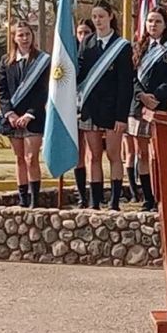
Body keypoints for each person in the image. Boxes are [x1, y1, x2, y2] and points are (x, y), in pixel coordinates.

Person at [127, 6, 167, 211]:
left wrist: (156, 97)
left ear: (165, 24)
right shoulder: (137, 47)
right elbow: (131, 76)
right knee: (142, 154)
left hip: (161, 106)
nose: (153, 25)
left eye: (158, 21)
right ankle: (148, 198)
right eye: (150, 21)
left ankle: (164, 195)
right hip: (138, 106)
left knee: (160, 153)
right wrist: (141, 95)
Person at [77, 2, 133, 211]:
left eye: (101, 16)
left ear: (110, 17)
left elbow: (125, 83)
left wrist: (121, 116)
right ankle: (94, 201)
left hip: (112, 110)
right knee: (93, 156)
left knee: (113, 154)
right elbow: (81, 74)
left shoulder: (122, 46)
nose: (98, 21)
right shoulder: (87, 43)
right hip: (91, 108)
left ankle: (115, 201)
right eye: (94, 17)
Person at [0, 21, 51, 208]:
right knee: (19, 159)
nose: (25, 38)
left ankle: (35, 199)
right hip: (12, 118)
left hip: (32, 119)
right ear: (14, 38)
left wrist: (30, 114)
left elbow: (43, 91)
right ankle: (23, 198)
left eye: (28, 34)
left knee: (31, 158)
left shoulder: (42, 60)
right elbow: (2, 90)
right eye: (21, 35)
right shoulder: (6, 61)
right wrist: (9, 114)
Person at [73, 18, 95, 201]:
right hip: (74, 107)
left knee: (92, 153)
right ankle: (82, 195)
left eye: (86, 32)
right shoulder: (70, 54)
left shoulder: (96, 52)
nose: (82, 36)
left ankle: (95, 191)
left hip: (92, 108)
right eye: (79, 33)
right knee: (78, 152)